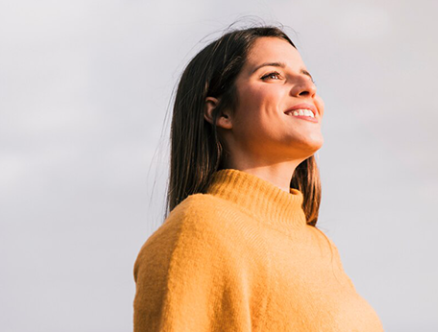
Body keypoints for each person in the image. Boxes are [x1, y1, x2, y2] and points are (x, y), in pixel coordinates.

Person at [132, 26, 384, 332]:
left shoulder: (320, 247)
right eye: (272, 75)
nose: (307, 86)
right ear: (221, 112)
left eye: (308, 77)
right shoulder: (200, 228)